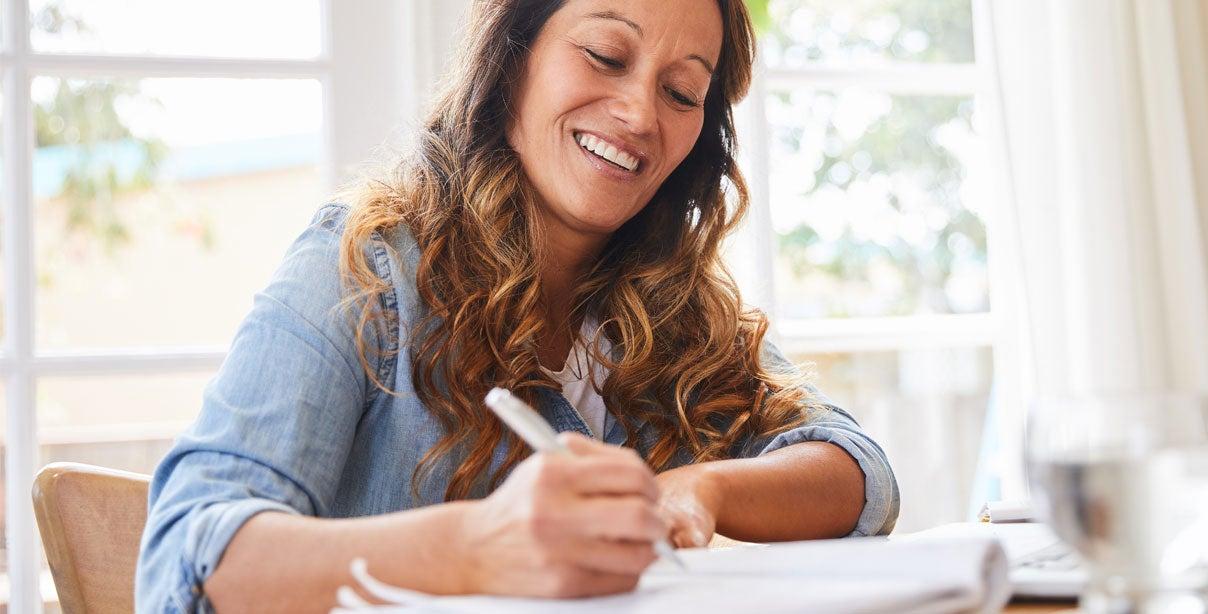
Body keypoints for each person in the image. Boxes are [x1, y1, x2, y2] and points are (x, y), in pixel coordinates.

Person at [135, 0, 899, 611]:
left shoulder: (679, 311)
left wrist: (705, 486)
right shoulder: (367, 268)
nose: (639, 114)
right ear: (511, 60)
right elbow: (186, 562)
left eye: (681, 92)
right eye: (605, 55)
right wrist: (474, 546)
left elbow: (858, 473)